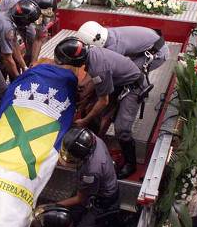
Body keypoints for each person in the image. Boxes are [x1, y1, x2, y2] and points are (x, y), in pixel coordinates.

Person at [54, 37, 145, 179]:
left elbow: (103, 101)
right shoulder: (91, 53)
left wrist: (84, 120)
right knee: (90, 107)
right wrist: (84, 101)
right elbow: (94, 81)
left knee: (122, 129)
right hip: (117, 79)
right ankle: (91, 139)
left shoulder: (99, 67)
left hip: (132, 87)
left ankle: (130, 164)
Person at [56, 127, 119, 227]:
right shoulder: (92, 139)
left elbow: (81, 199)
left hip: (102, 202)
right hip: (94, 191)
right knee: (72, 215)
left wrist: (56, 205)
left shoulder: (91, 170)